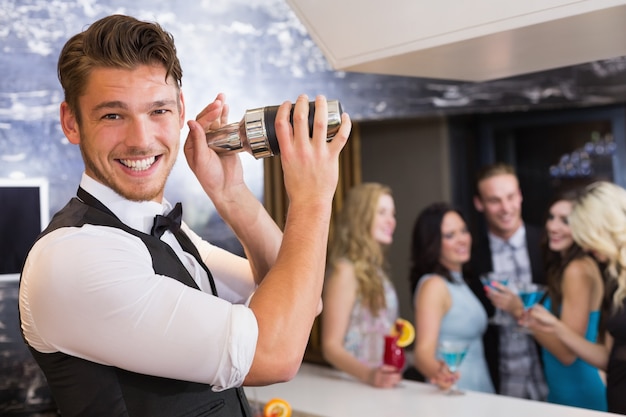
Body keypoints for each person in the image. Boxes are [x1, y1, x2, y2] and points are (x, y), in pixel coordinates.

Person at [18, 14, 351, 417]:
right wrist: (313, 200)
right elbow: (275, 353)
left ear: (180, 112)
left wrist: (231, 194)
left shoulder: (164, 230)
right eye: (113, 115)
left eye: (157, 111)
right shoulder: (71, 257)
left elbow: (302, 305)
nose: (141, 140)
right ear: (72, 122)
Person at [490, 190, 607, 410]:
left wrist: (518, 311)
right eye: (551, 217)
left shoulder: (577, 269)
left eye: (566, 221)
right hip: (562, 389)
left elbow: (567, 354)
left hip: (578, 391)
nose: (553, 226)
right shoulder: (566, 267)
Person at [530, 181, 626, 415]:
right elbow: (608, 359)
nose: (584, 245)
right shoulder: (617, 282)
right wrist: (555, 327)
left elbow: (567, 356)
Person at [470, 162, 548, 400]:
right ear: (479, 204)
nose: (506, 208)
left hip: (551, 377)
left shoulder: (548, 245)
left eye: (511, 197)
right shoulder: (471, 257)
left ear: (520, 196)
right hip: (499, 384)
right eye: (494, 200)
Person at [321, 182, 402, 388]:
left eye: (392, 213)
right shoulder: (345, 271)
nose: (391, 220)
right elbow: (331, 346)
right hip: (352, 385)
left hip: (378, 384)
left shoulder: (376, 270)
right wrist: (369, 375)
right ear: (361, 217)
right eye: (382, 212)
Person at [409, 202, 494, 393]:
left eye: (463, 231)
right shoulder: (434, 286)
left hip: (478, 388)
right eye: (449, 235)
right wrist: (443, 376)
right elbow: (422, 354)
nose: (462, 239)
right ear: (432, 242)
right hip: (455, 391)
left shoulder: (460, 282)